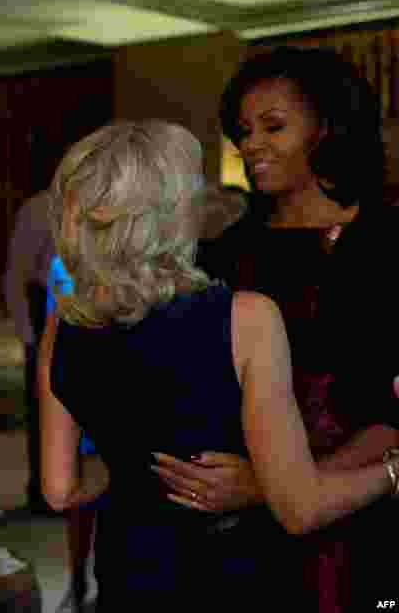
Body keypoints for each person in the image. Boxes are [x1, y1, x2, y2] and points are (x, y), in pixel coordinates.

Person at [37, 120, 399, 611]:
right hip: (233, 576)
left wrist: (138, 467)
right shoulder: (245, 316)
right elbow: (301, 508)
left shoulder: (64, 322)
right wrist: (393, 472)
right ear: (172, 214)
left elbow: (61, 490)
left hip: (129, 573)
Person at [154, 47, 399, 612]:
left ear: (328, 127)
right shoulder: (222, 256)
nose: (250, 145)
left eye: (274, 126)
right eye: (243, 130)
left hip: (367, 513)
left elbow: (389, 410)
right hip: (245, 535)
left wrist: (276, 486)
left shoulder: (390, 243)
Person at [35, 254, 102, 613]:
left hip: (110, 388)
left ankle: (86, 584)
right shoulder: (63, 264)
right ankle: (77, 581)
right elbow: (54, 333)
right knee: (77, 495)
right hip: (81, 392)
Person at [4, 189, 56, 513]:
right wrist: (26, 334)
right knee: (42, 409)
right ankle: (43, 492)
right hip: (45, 309)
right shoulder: (39, 208)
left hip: (90, 308)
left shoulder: (105, 202)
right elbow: (17, 275)